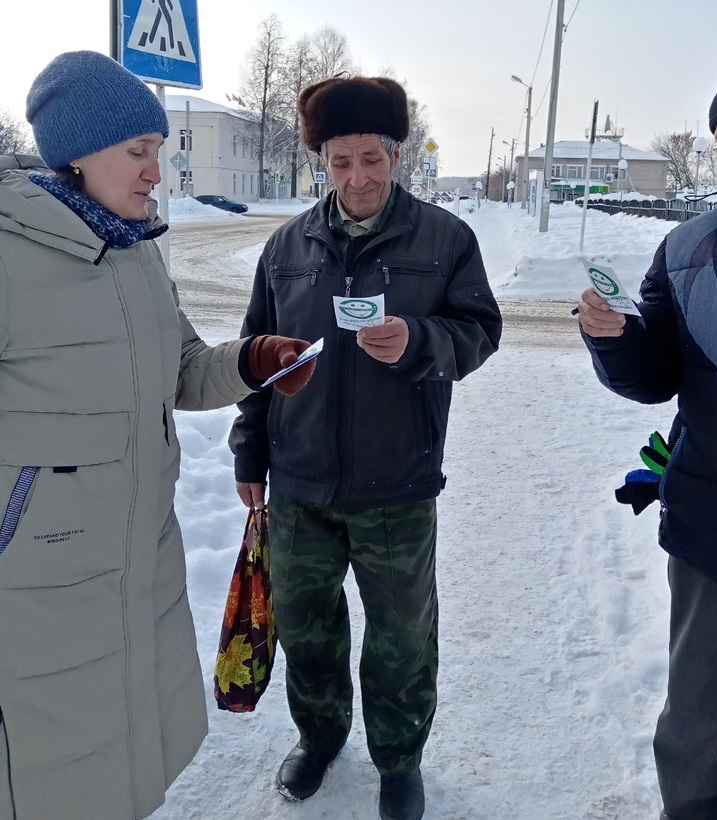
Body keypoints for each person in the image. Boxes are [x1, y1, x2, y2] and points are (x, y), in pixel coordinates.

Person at [0, 51, 315, 820]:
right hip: (38, 583)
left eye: (161, 152)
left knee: (124, 748)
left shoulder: (136, 250)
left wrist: (253, 361)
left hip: (139, 557)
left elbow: (180, 368)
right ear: (79, 152)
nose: (157, 171)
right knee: (48, 770)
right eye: (139, 151)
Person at [229, 76, 502, 820]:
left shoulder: (445, 240)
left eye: (371, 159)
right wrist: (250, 451)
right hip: (301, 486)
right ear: (322, 161)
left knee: (402, 640)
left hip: (397, 488)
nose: (356, 178)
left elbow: (480, 332)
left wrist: (420, 340)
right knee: (307, 630)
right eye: (340, 161)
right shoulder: (287, 248)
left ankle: (400, 760)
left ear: (396, 153)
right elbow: (257, 356)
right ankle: (319, 738)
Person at [577, 54, 717, 820]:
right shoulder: (687, 249)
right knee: (690, 716)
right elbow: (654, 376)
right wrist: (615, 338)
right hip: (708, 520)